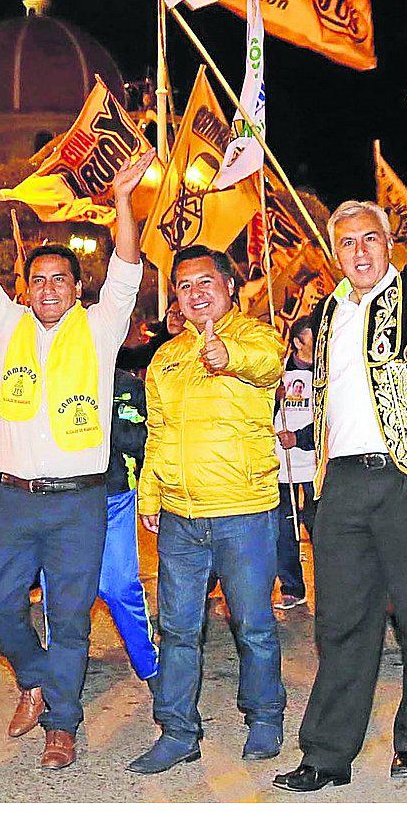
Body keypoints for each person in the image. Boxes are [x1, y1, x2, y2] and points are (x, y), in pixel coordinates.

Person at [274, 63, 407, 792]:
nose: (359, 251)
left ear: (390, 244)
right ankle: (327, 755)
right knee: (340, 624)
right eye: (347, 242)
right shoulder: (323, 313)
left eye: (371, 239)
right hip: (345, 484)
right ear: (334, 251)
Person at [0, 143, 154, 770]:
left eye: (61, 279)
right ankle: (33, 677)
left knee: (70, 617)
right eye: (39, 280)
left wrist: (122, 201)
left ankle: (62, 721)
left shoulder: (102, 325)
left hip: (81, 501)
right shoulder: (7, 326)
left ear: (75, 286)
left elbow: (129, 271)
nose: (49, 289)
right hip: (15, 499)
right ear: (25, 288)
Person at [130, 246, 287, 774]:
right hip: (179, 517)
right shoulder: (166, 357)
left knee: (254, 624)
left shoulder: (257, 338)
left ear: (229, 288)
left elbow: (267, 367)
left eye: (205, 283)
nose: (194, 294)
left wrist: (229, 358)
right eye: (184, 286)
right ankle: (177, 730)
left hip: (244, 510)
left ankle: (265, 715)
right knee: (175, 628)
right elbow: (158, 432)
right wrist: (150, 496)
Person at [99, 367, 158, 684]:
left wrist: (105, 422)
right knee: (60, 596)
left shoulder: (129, 386)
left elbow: (144, 438)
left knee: (118, 587)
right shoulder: (47, 373)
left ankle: (149, 666)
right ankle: (58, 691)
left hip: (115, 497)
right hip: (59, 500)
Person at [273, 316, 317, 609]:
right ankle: (292, 585)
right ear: (299, 341)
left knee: (320, 527)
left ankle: (331, 586)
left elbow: (331, 417)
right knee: (283, 529)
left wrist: (301, 438)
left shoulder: (328, 370)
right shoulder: (279, 372)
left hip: (315, 463)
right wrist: (271, 398)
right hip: (283, 463)